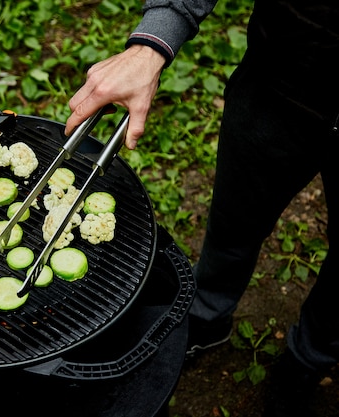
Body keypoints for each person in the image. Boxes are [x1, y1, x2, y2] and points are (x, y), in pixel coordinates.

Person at [65, 1, 339, 416]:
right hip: (279, 83)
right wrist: (154, 41)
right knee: (235, 220)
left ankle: (307, 360)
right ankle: (206, 316)